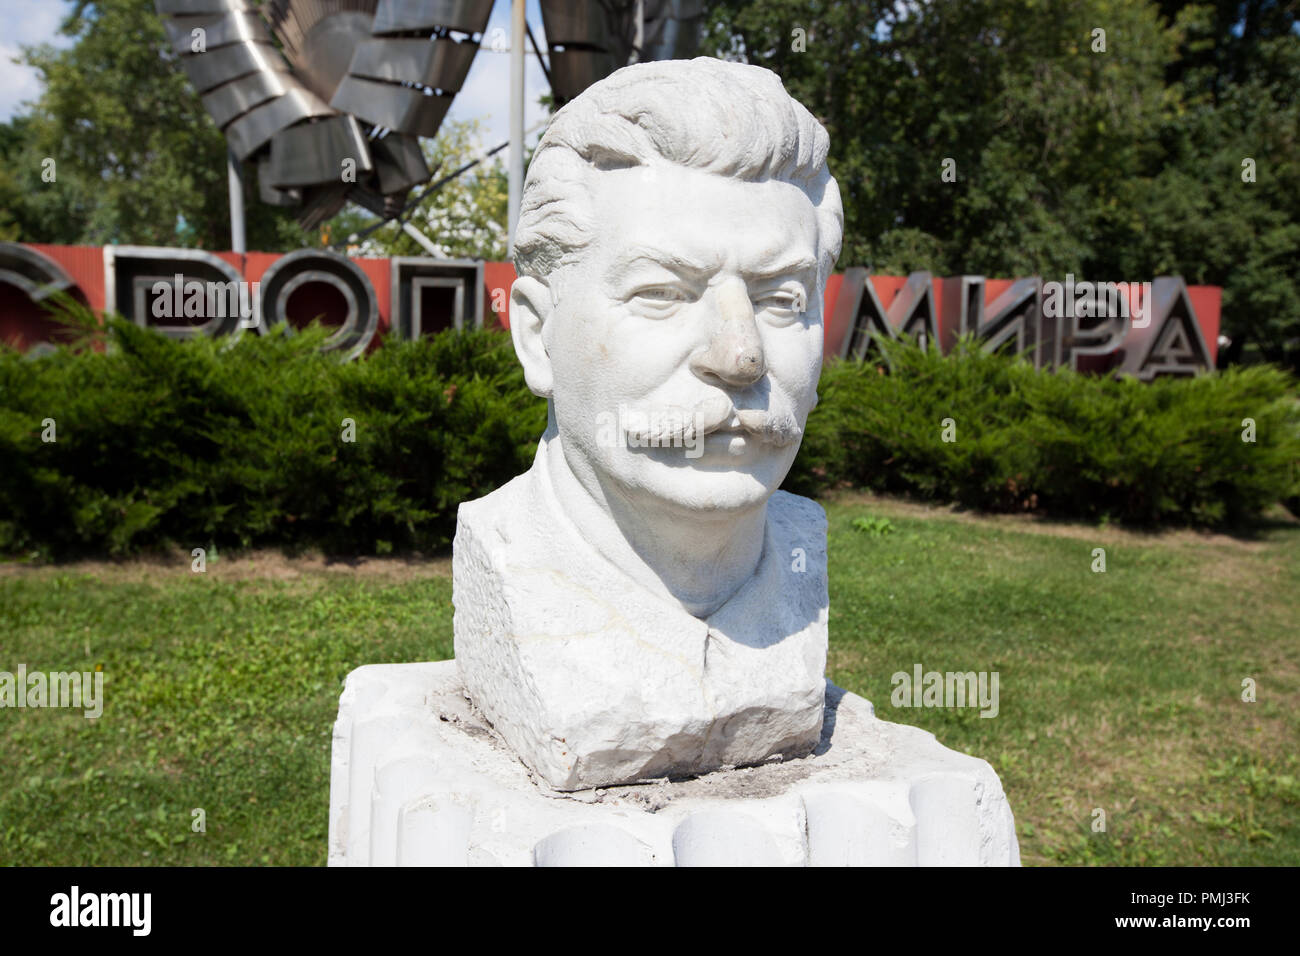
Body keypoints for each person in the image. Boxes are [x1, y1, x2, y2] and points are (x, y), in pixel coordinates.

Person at [454, 57, 845, 790]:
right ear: (538, 338)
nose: (740, 355)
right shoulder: (508, 558)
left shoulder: (798, 548)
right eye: (662, 293)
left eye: (783, 300)